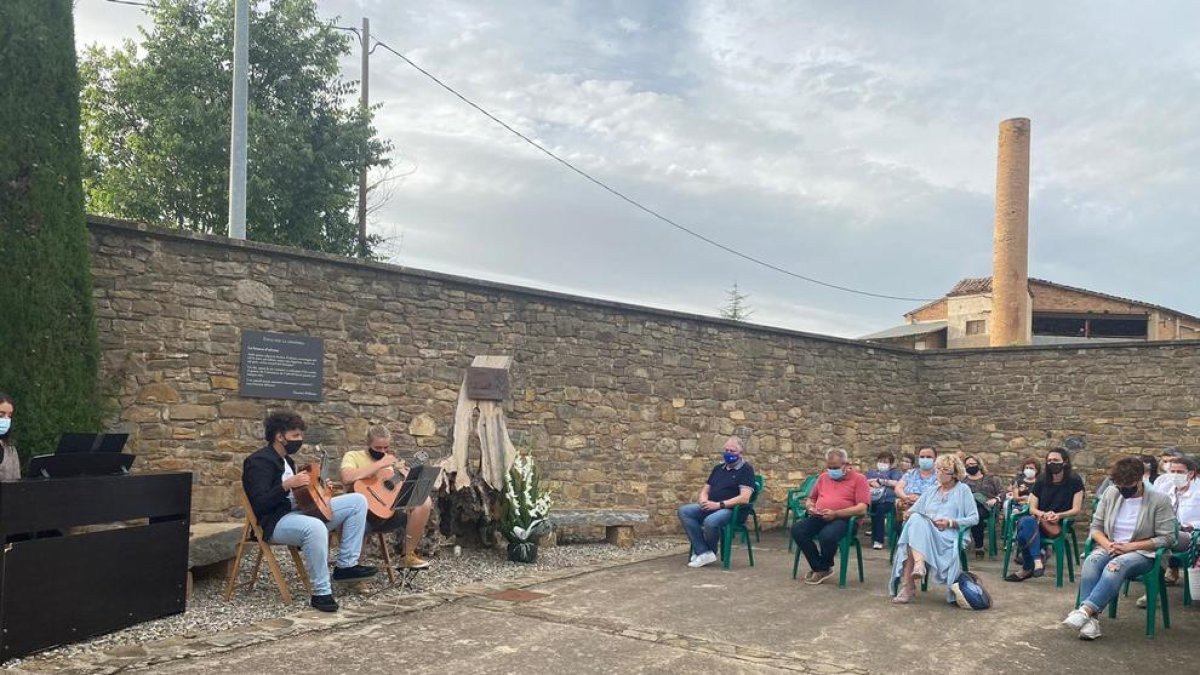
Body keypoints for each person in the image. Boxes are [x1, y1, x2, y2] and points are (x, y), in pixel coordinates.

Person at [242, 410, 376, 612]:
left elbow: (300, 497)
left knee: (357, 501)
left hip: (297, 512)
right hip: (274, 521)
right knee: (314, 527)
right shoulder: (258, 461)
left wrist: (323, 490)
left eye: (300, 435)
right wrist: (287, 485)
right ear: (279, 436)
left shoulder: (287, 460)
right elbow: (260, 503)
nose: (300, 440)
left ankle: (346, 566)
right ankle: (321, 593)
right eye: (295, 436)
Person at [1062, 456, 1176, 641]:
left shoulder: (1159, 500)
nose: (1123, 489)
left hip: (1144, 553)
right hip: (1112, 546)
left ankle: (1084, 611)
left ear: (1140, 479)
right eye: (1119, 485)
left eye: (1128, 485)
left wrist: (1131, 546)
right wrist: (1108, 545)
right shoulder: (1111, 493)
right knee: (1091, 561)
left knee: (1115, 566)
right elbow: (1096, 528)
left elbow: (1168, 537)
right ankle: (1092, 623)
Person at [340, 425, 433, 570]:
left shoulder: (393, 462)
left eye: (386, 448)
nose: (382, 452)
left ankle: (408, 555)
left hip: (386, 513)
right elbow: (346, 478)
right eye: (378, 448)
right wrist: (380, 464)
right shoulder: (353, 456)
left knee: (423, 501)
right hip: (361, 515)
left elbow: (393, 491)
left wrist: (406, 479)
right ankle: (353, 570)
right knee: (359, 525)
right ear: (368, 443)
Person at [889, 454, 978, 604]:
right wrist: (906, 512)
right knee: (915, 521)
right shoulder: (931, 490)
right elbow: (915, 511)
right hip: (928, 533)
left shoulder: (963, 490)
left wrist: (950, 522)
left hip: (950, 534)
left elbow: (974, 518)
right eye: (938, 470)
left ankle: (908, 586)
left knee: (913, 537)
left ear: (955, 473)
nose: (940, 474)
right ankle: (919, 565)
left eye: (945, 470)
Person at [792, 448, 870, 584]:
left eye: (836, 467)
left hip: (845, 519)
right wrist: (810, 507)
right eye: (829, 467)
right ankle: (821, 567)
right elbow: (811, 498)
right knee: (798, 530)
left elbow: (862, 508)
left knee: (827, 535)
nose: (832, 471)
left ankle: (822, 567)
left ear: (846, 465)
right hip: (821, 515)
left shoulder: (859, 479)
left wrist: (836, 514)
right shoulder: (823, 478)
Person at [1005, 448, 1084, 582]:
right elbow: (1032, 508)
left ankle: (1027, 568)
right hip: (1040, 520)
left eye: (1055, 460)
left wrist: (1058, 515)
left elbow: (1076, 509)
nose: (1051, 463)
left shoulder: (1074, 481)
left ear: (1064, 462)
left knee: (1023, 533)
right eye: (1049, 460)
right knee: (1025, 522)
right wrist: (1043, 514)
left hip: (1060, 521)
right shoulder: (1042, 480)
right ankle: (1037, 561)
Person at [678, 437, 755, 568]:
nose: (728, 453)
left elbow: (744, 498)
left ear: (740, 453)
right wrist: (703, 500)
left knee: (710, 521)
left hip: (731, 510)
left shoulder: (746, 470)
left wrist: (720, 505)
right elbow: (705, 489)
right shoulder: (718, 469)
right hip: (711, 505)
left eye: (732, 451)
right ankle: (704, 551)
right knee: (685, 511)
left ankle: (708, 552)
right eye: (726, 450)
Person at [963, 454, 1004, 558]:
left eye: (972, 464)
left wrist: (996, 499)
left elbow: (1002, 492)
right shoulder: (963, 481)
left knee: (976, 514)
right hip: (968, 507)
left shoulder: (991, 479)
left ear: (979, 465)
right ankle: (974, 544)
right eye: (967, 465)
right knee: (973, 513)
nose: (970, 466)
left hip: (987, 507)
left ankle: (979, 545)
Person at [865, 450, 903, 550]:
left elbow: (897, 483)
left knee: (880, 509)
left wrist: (881, 481)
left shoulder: (894, 472)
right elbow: (862, 481)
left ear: (890, 464)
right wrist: (871, 482)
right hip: (871, 499)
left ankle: (878, 540)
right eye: (881, 461)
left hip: (887, 501)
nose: (882, 463)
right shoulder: (871, 472)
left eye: (885, 462)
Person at [895, 445, 939, 521]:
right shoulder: (910, 473)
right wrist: (906, 497)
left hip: (929, 507)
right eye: (922, 457)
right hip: (908, 503)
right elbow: (898, 488)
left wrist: (920, 499)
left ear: (935, 458)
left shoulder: (939, 475)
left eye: (928, 457)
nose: (925, 459)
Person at [0, 393, 18, 481]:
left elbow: (17, 482)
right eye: (1, 415)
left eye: (9, 416)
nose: (6, 419)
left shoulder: (10, 450)